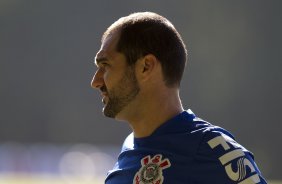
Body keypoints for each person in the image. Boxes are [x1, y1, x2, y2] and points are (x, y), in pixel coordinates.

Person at [91, 12, 267, 184]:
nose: (95, 81)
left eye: (105, 65)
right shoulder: (130, 147)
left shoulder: (213, 150)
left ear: (146, 66)